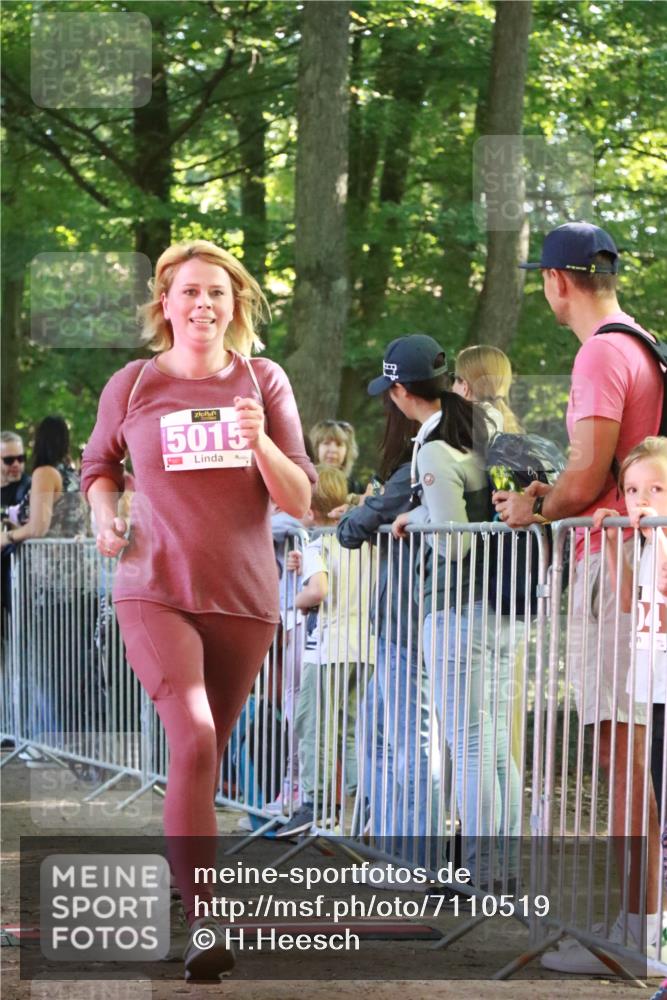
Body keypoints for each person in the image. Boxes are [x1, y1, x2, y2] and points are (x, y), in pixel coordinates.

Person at [80, 239, 316, 981]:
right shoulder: (134, 382)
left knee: (205, 759)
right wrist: (102, 514)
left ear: (235, 304)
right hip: (153, 587)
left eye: (217, 291)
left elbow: (301, 497)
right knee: (192, 740)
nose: (203, 304)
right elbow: (98, 466)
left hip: (244, 601)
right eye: (188, 292)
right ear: (165, 304)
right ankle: (207, 923)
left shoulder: (262, 380)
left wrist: (259, 445)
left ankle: (192, 892)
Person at [494, 222, 664, 973]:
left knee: (623, 752)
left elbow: (588, 467)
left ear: (556, 281)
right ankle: (639, 923)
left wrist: (538, 505)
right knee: (634, 747)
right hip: (640, 558)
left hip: (615, 566)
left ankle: (636, 933)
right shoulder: (642, 341)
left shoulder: (599, 352)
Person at [383, 334, 520, 887]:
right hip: (501, 604)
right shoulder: (487, 428)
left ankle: (483, 870)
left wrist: (414, 519)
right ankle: (502, 865)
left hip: (458, 605)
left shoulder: (438, 442)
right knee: (491, 740)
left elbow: (454, 542)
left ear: (399, 391)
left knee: (468, 741)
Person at [337, 391, 441, 863]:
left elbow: (354, 529)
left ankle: (416, 859)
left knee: (412, 745)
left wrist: (369, 508)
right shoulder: (420, 452)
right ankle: (391, 846)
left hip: (410, 623)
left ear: (401, 395)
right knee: (377, 733)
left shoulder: (428, 452)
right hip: (396, 623)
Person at [276, 465, 374, 838]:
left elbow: (318, 591)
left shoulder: (318, 543)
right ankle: (364, 801)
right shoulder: (367, 542)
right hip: (365, 648)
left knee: (310, 723)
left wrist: (293, 605)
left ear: (311, 507)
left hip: (330, 648)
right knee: (350, 729)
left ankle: (316, 805)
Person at [593, 436, 667, 915]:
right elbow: (627, 602)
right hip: (658, 690)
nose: (642, 501)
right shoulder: (647, 541)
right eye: (634, 490)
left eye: (657, 489)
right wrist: (615, 542)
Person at [1, 416, 91, 760]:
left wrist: (8, 536)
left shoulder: (43, 474)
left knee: (49, 669)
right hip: (76, 584)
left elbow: (38, 528)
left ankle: (49, 746)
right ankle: (70, 749)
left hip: (49, 588)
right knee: (69, 670)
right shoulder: (72, 474)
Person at [309, 419, 363, 495]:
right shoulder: (304, 482)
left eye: (339, 444)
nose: (333, 450)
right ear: (315, 448)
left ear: (347, 451)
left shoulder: (356, 489)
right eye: (326, 443)